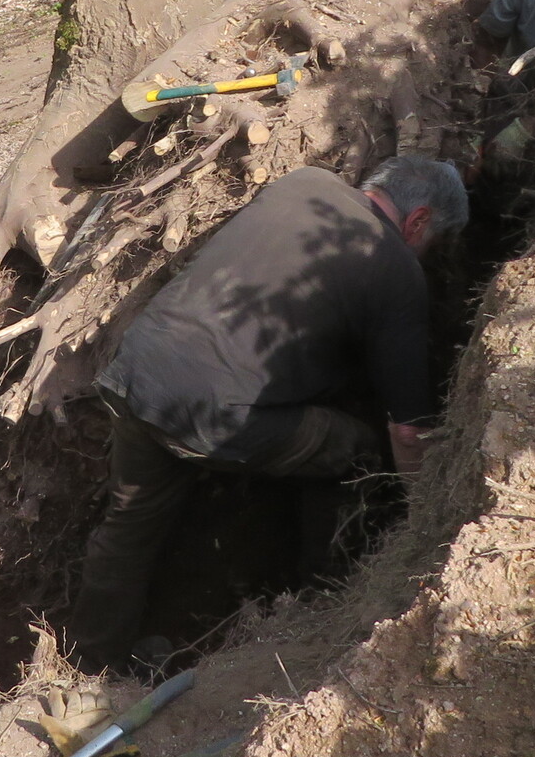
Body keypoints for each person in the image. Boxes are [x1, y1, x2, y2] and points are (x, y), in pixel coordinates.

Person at [66, 155, 468, 668]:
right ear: (419, 221)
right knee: (357, 450)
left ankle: (92, 664)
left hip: (139, 372)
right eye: (431, 242)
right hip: (216, 413)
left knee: (130, 524)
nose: (425, 255)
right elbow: (408, 431)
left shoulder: (305, 181)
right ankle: (321, 607)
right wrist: (422, 515)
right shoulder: (396, 267)